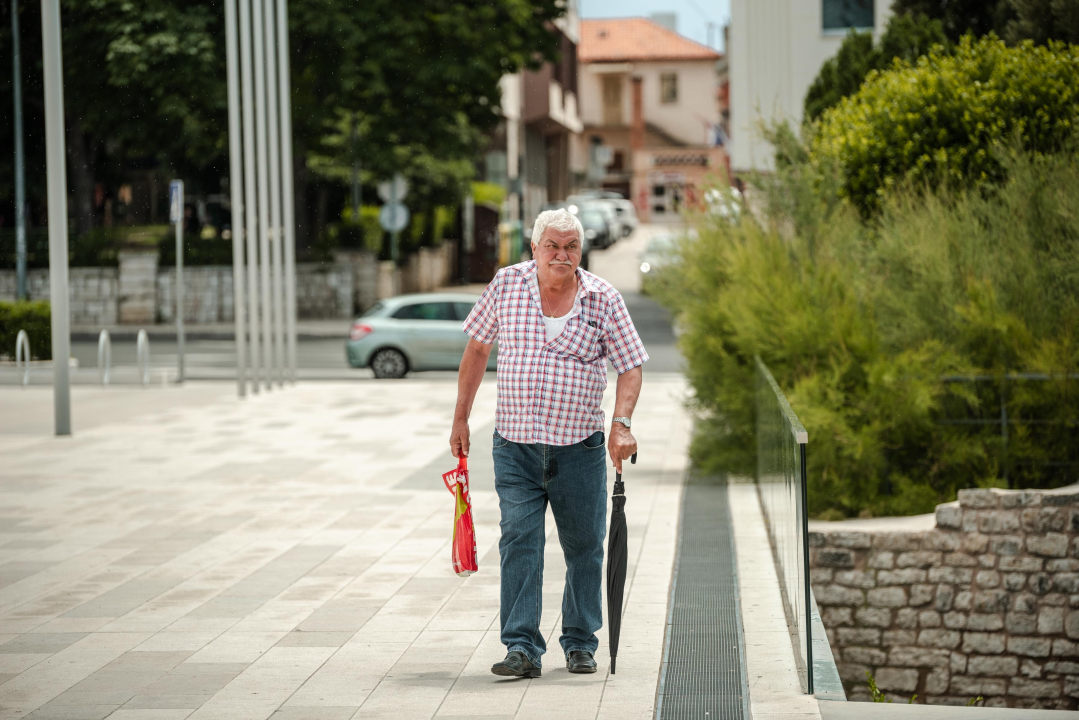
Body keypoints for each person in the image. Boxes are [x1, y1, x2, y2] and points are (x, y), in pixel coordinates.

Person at [449, 208, 647, 678]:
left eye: (571, 247)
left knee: (585, 545)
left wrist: (621, 423)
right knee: (520, 541)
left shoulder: (603, 299)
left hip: (578, 448)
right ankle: (521, 647)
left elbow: (631, 365)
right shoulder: (506, 285)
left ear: (581, 250)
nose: (562, 255)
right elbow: (477, 348)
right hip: (514, 445)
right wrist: (461, 417)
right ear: (534, 247)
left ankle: (580, 641)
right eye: (552, 246)